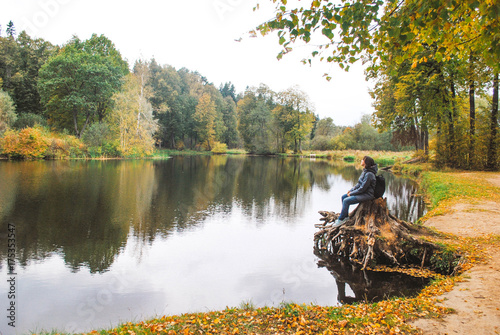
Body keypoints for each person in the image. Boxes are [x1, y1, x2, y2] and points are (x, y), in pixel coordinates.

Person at [333, 156, 378, 227]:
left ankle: (341, 219)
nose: (361, 160)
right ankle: (345, 217)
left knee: (346, 201)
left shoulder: (369, 174)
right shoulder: (365, 171)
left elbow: (362, 188)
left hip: (367, 194)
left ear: (366, 163)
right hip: (362, 192)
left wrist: (351, 193)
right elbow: (359, 184)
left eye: (363, 160)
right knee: (344, 197)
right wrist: (351, 190)